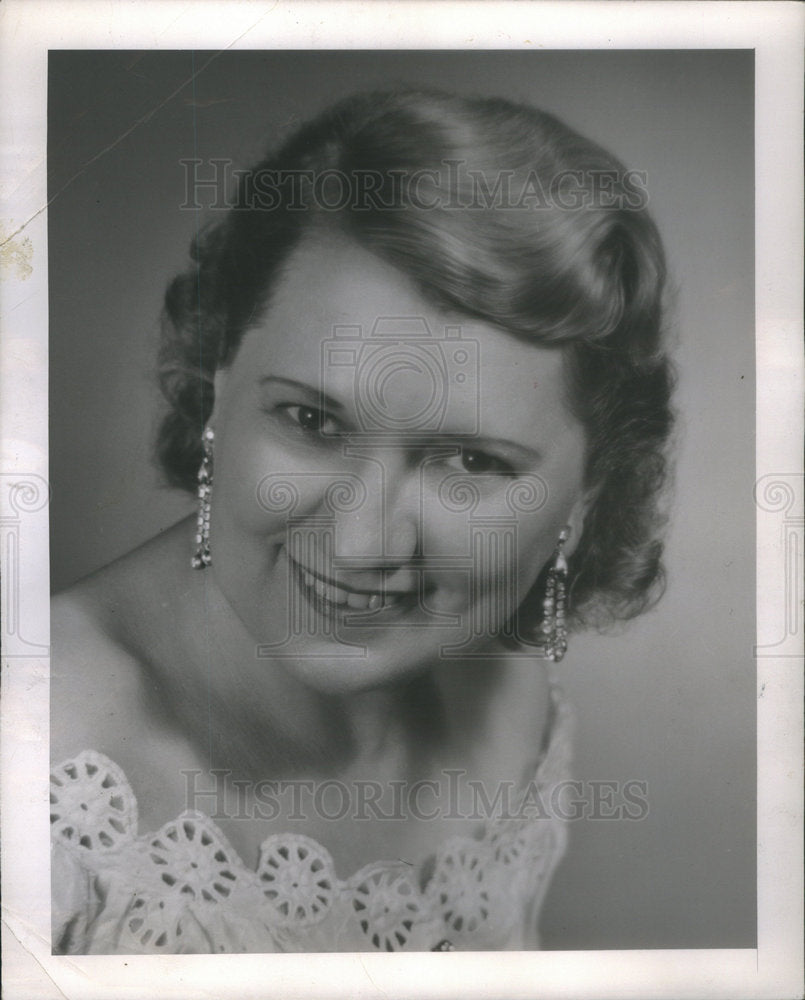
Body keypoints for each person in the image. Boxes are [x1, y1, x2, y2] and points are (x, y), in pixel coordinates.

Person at [50, 88, 673, 954]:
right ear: (220, 378)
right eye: (311, 420)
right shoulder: (39, 770)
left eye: (470, 463)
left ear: (589, 493)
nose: (358, 541)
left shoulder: (510, 709)